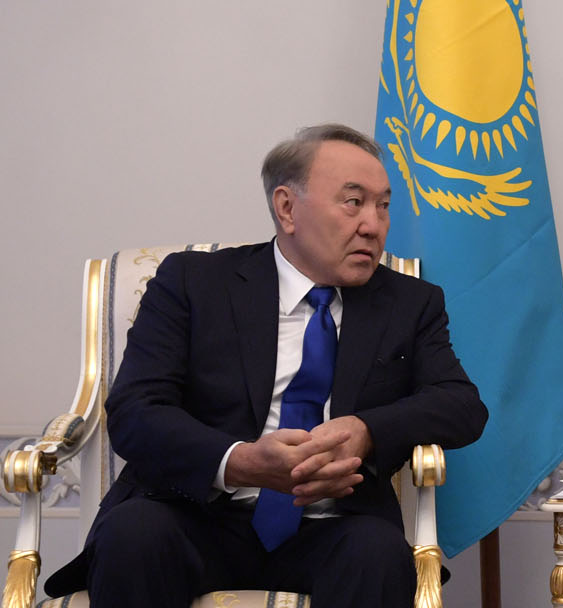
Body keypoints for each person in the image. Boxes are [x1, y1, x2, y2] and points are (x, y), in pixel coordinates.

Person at [44, 124, 489, 608]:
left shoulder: (409, 302)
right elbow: (135, 411)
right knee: (133, 535)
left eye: (383, 206)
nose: (373, 225)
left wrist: (366, 431)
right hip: (193, 515)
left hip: (334, 526)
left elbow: (461, 405)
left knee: (378, 554)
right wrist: (239, 462)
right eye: (353, 202)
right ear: (287, 208)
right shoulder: (194, 283)